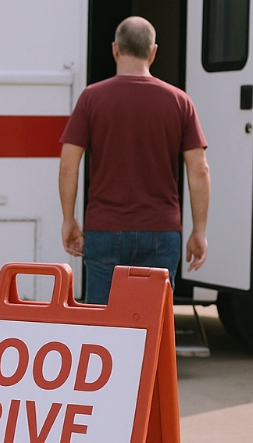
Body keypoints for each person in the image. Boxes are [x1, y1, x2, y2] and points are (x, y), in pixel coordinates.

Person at [59, 16, 211, 304]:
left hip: (103, 229)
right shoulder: (179, 101)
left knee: (101, 327)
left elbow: (68, 163)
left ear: (115, 49)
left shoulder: (91, 98)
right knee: (150, 327)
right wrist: (199, 231)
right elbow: (199, 169)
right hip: (161, 229)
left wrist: (69, 219)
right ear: (153, 52)